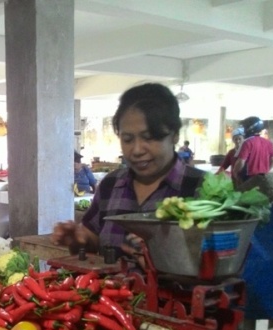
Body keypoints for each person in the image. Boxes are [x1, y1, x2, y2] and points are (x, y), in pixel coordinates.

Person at [51, 83, 206, 260]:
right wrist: (78, 240)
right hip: (112, 287)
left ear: (175, 135)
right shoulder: (111, 185)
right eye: (127, 139)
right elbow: (93, 240)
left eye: (148, 138)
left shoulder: (202, 189)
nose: (137, 149)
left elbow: (223, 267)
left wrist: (160, 260)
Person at [233, 116, 273, 184]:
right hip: (263, 178)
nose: (244, 130)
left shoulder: (247, 142)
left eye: (244, 128)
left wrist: (235, 172)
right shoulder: (268, 143)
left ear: (250, 128)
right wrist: (267, 170)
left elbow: (241, 162)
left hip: (248, 178)